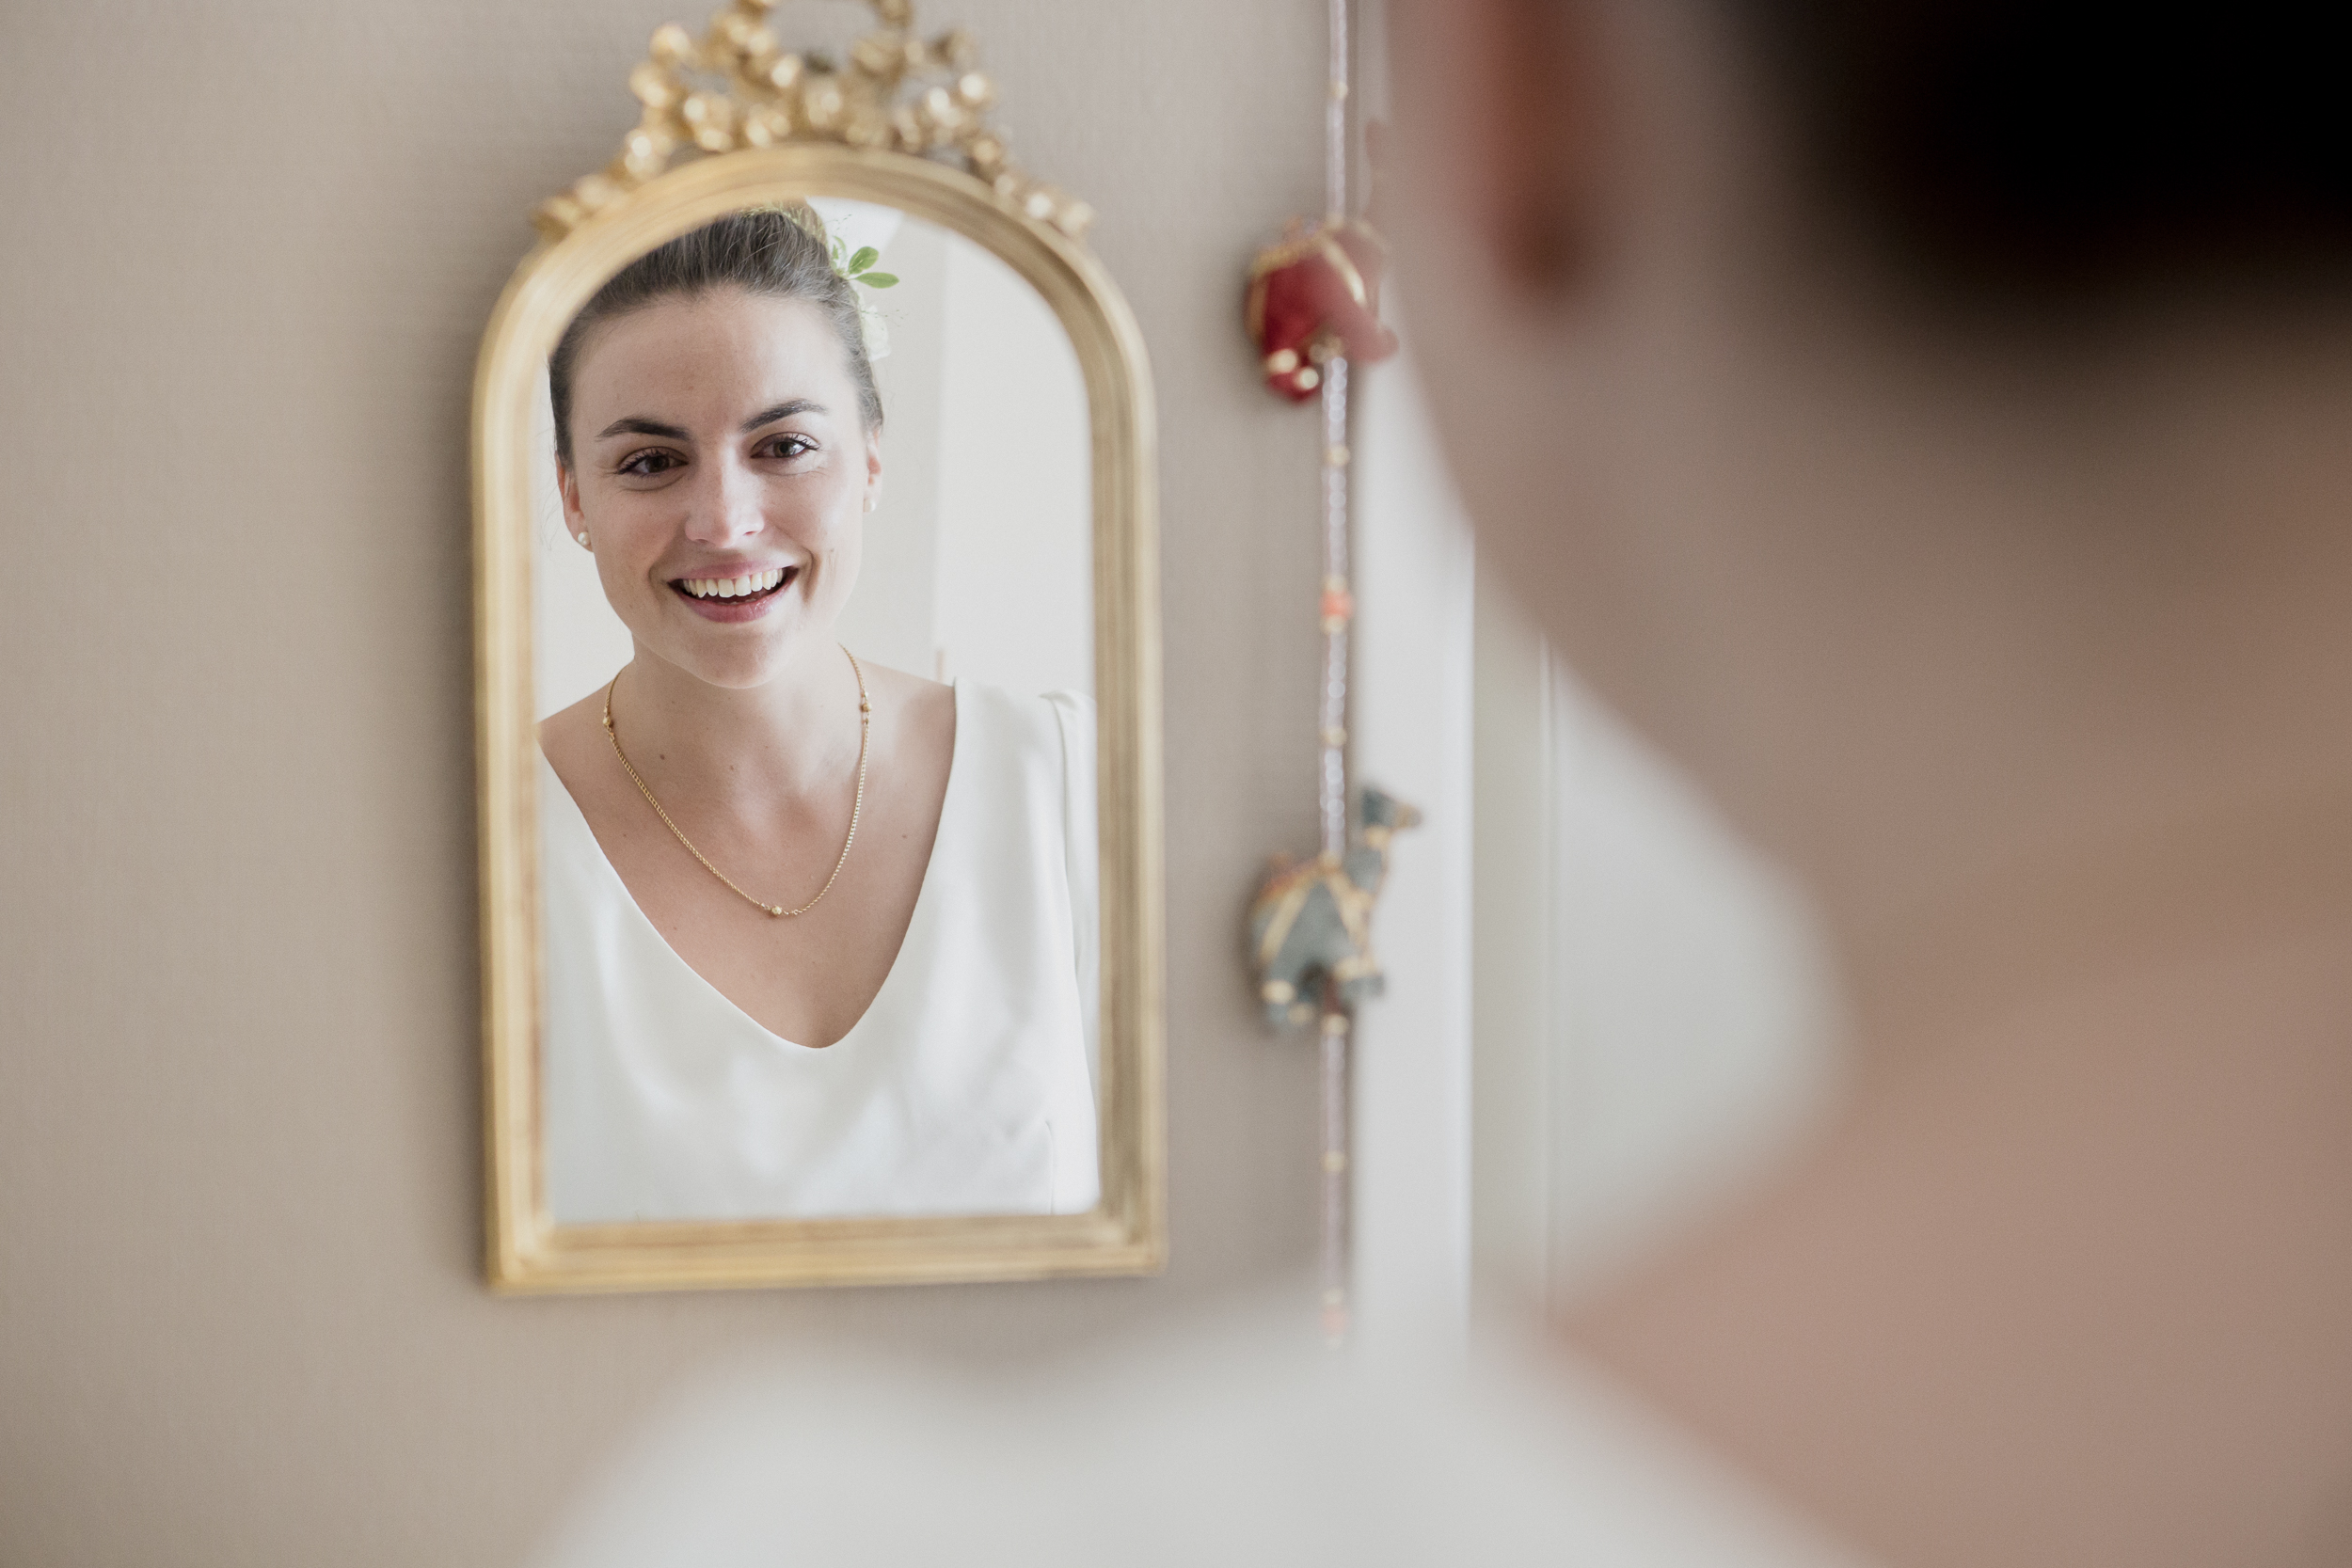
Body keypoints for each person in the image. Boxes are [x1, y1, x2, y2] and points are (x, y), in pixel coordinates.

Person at [535, 208, 1101, 1224]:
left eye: (785, 445)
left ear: (872, 459)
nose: (725, 522)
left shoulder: (1061, 779)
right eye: (652, 462)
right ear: (574, 496)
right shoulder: (495, 841)